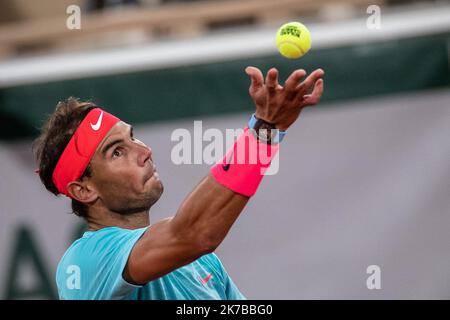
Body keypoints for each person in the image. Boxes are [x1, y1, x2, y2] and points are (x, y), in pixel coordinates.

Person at [33, 66, 324, 299]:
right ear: (83, 190)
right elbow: (195, 233)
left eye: (132, 136)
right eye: (117, 151)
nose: (144, 151)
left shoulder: (200, 262)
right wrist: (264, 130)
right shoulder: (84, 262)